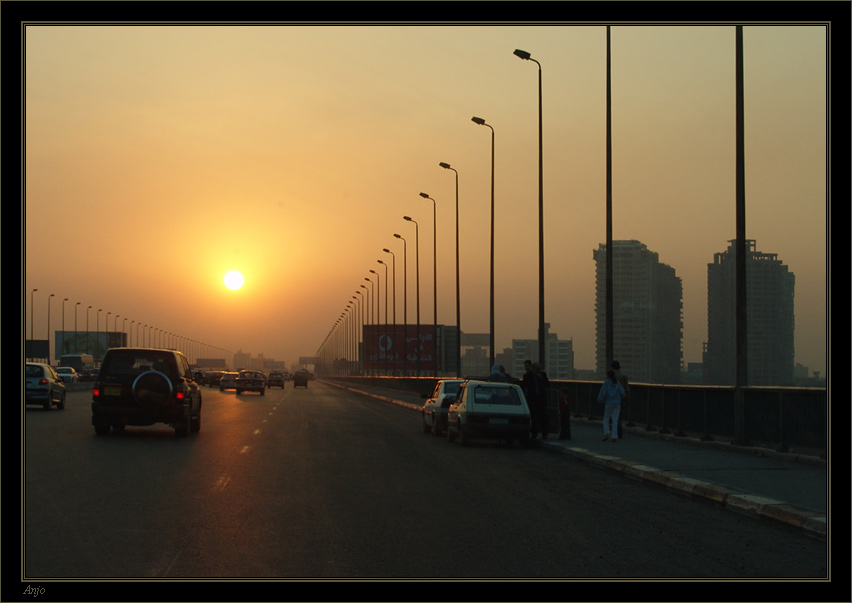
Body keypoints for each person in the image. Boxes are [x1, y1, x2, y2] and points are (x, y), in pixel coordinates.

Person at [598, 369, 625, 442]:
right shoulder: (617, 383)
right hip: (617, 403)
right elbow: (622, 393)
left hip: (608, 403)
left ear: (608, 376)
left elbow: (603, 392)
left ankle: (606, 433)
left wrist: (600, 400)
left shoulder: (606, 383)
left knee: (606, 418)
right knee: (615, 419)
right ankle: (614, 436)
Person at [611, 360, 630, 439]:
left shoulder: (611, 376)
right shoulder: (623, 376)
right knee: (619, 415)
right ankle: (619, 433)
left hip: (612, 398)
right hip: (621, 397)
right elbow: (627, 388)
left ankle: (615, 432)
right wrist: (628, 397)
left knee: (613, 416)